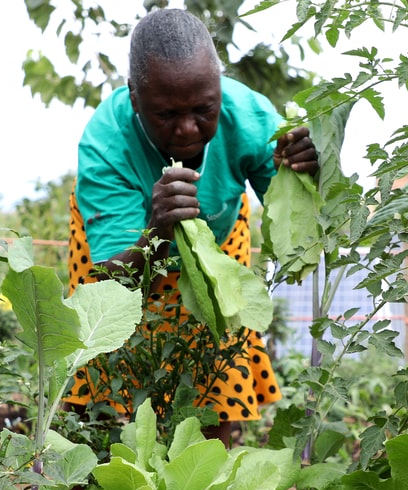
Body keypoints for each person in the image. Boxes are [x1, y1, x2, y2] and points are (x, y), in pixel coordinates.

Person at [63, 8, 318, 445]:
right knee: (103, 361)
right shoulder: (106, 144)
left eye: (204, 109)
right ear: (135, 97)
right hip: (120, 253)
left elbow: (297, 227)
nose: (186, 129)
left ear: (220, 89)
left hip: (218, 238)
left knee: (217, 371)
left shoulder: (253, 120)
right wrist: (158, 229)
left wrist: (308, 176)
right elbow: (114, 280)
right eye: (165, 114)